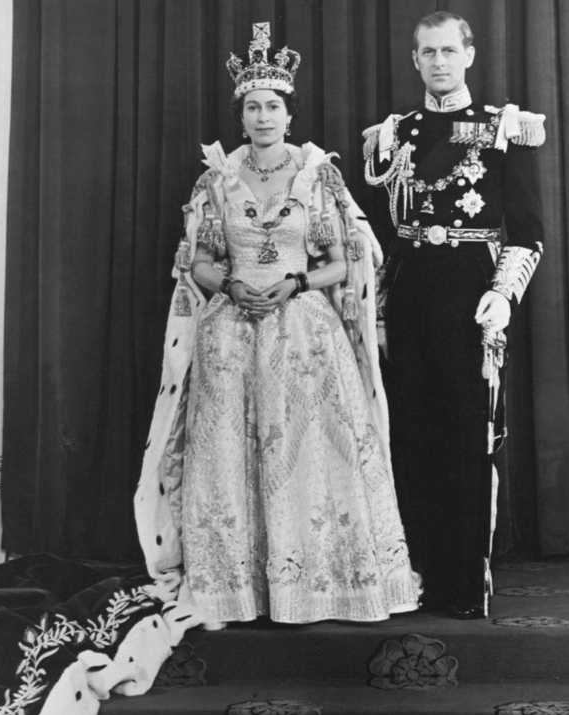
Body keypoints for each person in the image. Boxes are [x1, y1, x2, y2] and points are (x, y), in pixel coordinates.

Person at [135, 23, 421, 627]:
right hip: (230, 334)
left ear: (289, 115)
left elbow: (343, 262)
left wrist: (295, 282)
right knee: (231, 455)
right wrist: (230, 285)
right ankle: (237, 588)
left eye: (272, 106)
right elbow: (200, 260)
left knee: (311, 452)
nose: (263, 116)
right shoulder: (214, 181)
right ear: (241, 118)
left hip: (304, 333)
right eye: (252, 107)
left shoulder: (320, 177)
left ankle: (323, 583)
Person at [363, 11, 545, 619]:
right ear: (414, 60)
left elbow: (526, 231)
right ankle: (411, 576)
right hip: (411, 293)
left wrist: (504, 292)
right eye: (427, 52)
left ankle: (462, 584)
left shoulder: (504, 129)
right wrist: (381, 309)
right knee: (409, 436)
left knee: (467, 438)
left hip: (472, 293)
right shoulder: (396, 134)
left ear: (469, 55)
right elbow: (386, 236)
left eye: (448, 50)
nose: (438, 62)